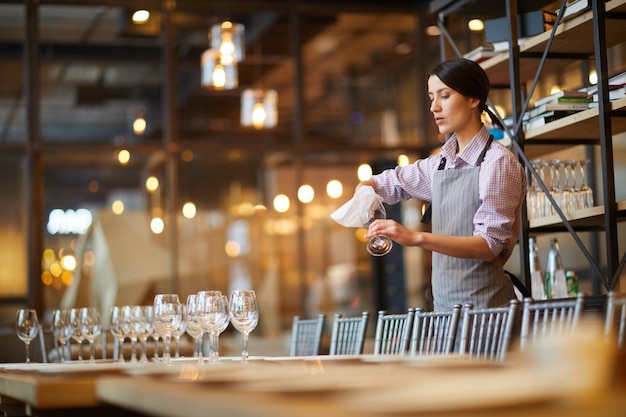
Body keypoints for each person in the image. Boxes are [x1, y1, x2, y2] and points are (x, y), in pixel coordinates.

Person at [357, 58, 527, 311]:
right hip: (445, 313)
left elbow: (488, 245)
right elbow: (383, 183)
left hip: (487, 313)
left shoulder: (498, 162)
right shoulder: (440, 164)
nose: (434, 107)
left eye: (444, 96)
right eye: (430, 98)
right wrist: (365, 191)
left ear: (473, 99)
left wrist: (415, 237)